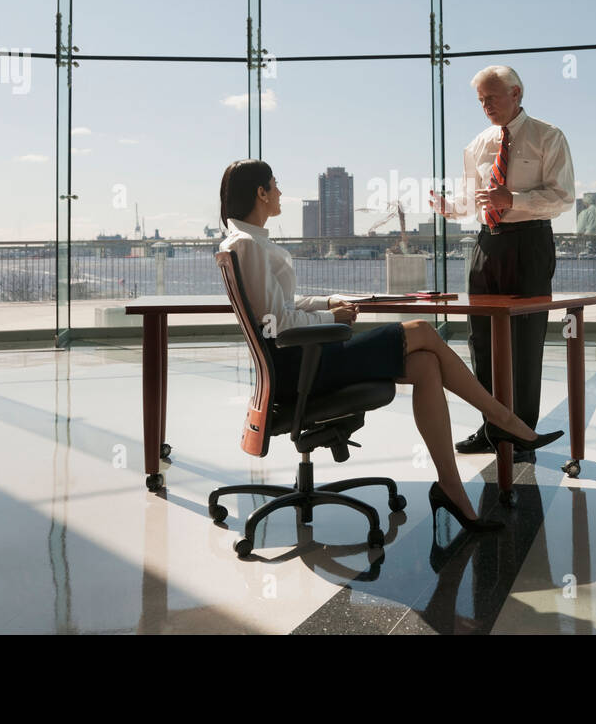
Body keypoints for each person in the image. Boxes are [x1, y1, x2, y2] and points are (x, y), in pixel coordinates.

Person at [218, 159, 562, 533]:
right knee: (423, 332)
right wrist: (333, 319)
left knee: (427, 364)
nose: (281, 191)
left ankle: (451, 488)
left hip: (302, 362)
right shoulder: (247, 244)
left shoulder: (248, 241)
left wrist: (329, 301)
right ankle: (504, 420)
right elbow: (278, 324)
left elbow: (283, 305)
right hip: (299, 369)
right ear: (260, 193)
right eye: (275, 184)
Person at [428, 65, 575, 455]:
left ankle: (522, 432)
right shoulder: (478, 143)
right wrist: (450, 208)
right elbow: (471, 198)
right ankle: (492, 426)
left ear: (516, 93)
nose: (485, 106)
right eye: (480, 100)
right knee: (481, 340)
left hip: (530, 244)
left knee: (525, 339)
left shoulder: (548, 136)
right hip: (485, 246)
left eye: (491, 97)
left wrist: (513, 201)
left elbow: (563, 197)